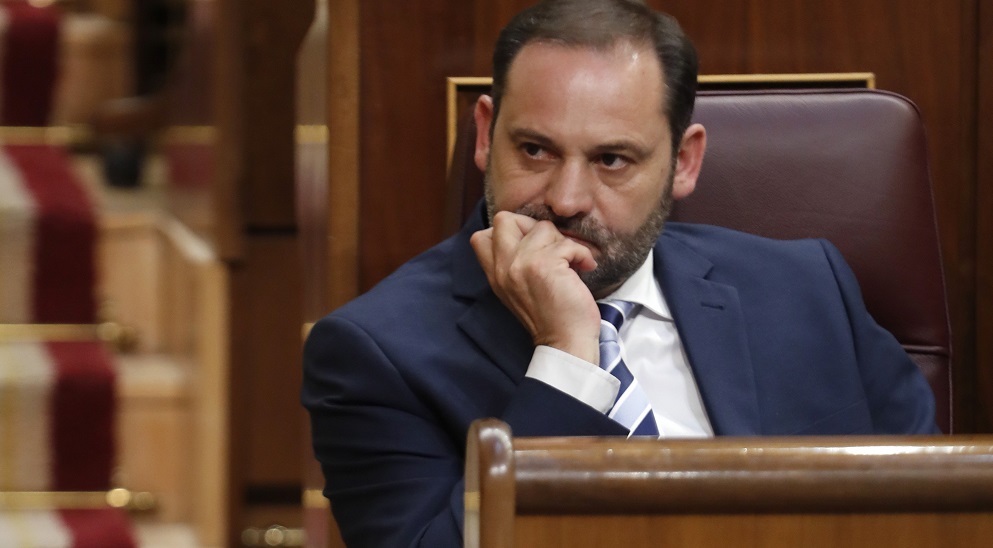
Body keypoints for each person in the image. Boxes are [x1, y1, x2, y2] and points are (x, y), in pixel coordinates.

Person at [301, 0, 939, 546]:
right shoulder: (373, 355)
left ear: (684, 164)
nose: (567, 198)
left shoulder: (806, 289)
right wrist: (568, 360)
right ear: (485, 134)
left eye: (611, 159)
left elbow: (938, 513)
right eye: (534, 149)